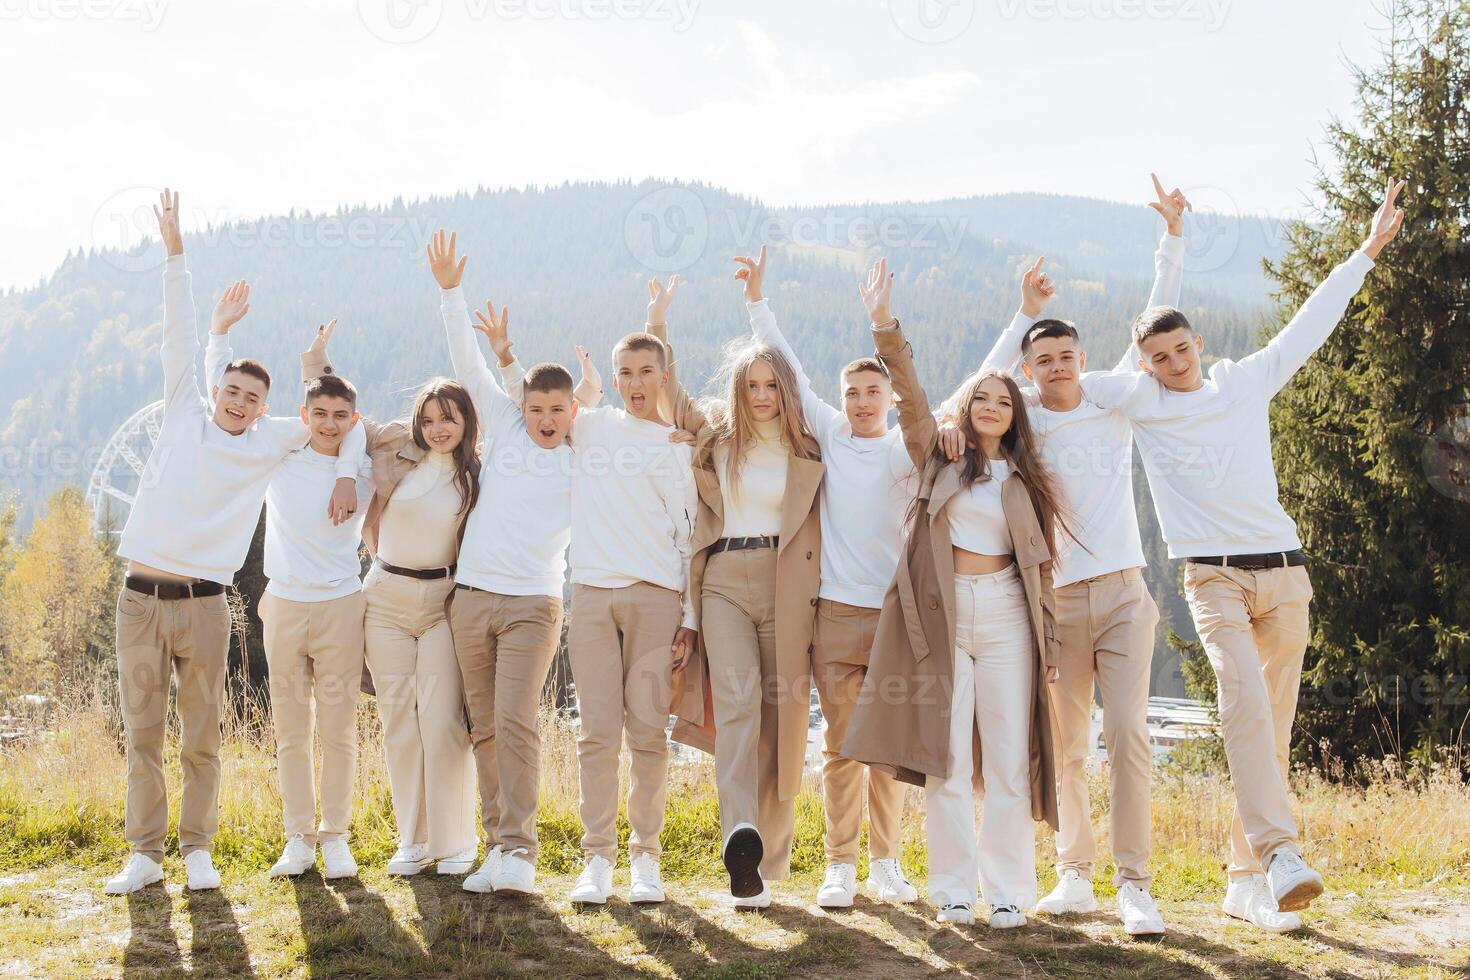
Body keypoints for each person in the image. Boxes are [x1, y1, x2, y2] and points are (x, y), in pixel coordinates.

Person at [1077, 178, 1407, 931]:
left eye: (1182, 348)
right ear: (1146, 364)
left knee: (1272, 724)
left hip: (1285, 572)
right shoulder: (1143, 403)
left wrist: (1365, 252)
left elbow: (1307, 326)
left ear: (1200, 344)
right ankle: (1282, 853)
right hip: (1214, 578)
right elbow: (1059, 380)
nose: (1173, 363)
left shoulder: (1242, 381)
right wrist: (1171, 245)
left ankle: (1243, 880)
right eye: (1158, 356)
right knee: (1242, 702)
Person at [105, 190, 362, 896]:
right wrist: (176, 253)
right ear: (217, 389)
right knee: (145, 734)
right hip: (140, 598)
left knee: (201, 736)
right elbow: (177, 335)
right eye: (234, 390)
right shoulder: (182, 414)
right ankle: (144, 855)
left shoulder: (270, 441)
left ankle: (196, 852)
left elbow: (336, 418)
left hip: (208, 605)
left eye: (254, 396)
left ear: (264, 406)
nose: (241, 402)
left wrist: (344, 468)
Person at [971, 175, 1190, 935]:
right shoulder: (1021, 421)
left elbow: (1153, 323)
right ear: (1028, 371)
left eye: (1067, 354)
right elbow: (972, 391)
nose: (1058, 366)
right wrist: (1022, 315)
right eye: (1044, 358)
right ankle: (1073, 873)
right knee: (1067, 744)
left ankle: (1135, 882)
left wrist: (1170, 238)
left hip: (1125, 595)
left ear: (1081, 357)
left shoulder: (1112, 398)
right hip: (1056, 602)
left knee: (1128, 736)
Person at [843, 258, 1066, 929]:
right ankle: (952, 890)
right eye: (981, 400)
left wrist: (1049, 643)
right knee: (945, 757)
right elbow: (908, 395)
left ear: (1014, 415)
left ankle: (1007, 892)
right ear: (966, 411)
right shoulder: (938, 457)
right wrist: (884, 322)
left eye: (1003, 401)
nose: (992, 407)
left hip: (1007, 616)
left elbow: (1041, 569)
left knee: (1005, 757)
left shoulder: (1027, 481)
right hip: (943, 617)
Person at [732, 245, 919, 909]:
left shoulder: (908, 447)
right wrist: (757, 300)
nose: (862, 402)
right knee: (842, 746)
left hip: (895, 616)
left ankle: (886, 863)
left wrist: (884, 321)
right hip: (835, 615)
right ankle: (840, 864)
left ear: (893, 398)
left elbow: (963, 389)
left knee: (889, 746)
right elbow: (786, 366)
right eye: (852, 393)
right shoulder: (832, 432)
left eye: (874, 392)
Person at [424, 231, 600, 896]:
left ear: (572, 410)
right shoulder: (502, 426)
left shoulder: (584, 451)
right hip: (471, 599)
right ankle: (496, 844)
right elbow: (466, 362)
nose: (546, 418)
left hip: (532, 603)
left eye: (558, 409)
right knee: (485, 723)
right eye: (536, 408)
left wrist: (599, 391)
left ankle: (521, 851)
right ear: (521, 407)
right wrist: (450, 292)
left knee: (519, 719)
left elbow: (620, 426)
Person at [653, 278, 825, 910]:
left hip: (787, 586)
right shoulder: (716, 437)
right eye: (750, 385)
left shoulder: (811, 445)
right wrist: (659, 321)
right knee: (736, 709)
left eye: (770, 385)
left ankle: (766, 863)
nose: (760, 396)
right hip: (724, 580)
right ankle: (739, 838)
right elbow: (665, 391)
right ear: (737, 389)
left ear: (786, 387)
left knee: (782, 723)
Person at [257, 347, 375, 881]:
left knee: (338, 729)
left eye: (340, 416)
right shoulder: (283, 454)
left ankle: (336, 837)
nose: (330, 424)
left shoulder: (365, 466)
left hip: (340, 605)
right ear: (304, 417)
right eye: (319, 414)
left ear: (354, 419)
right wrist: (314, 366)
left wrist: (349, 469)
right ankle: (299, 838)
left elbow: (365, 432)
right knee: (291, 731)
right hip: (283, 603)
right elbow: (243, 413)